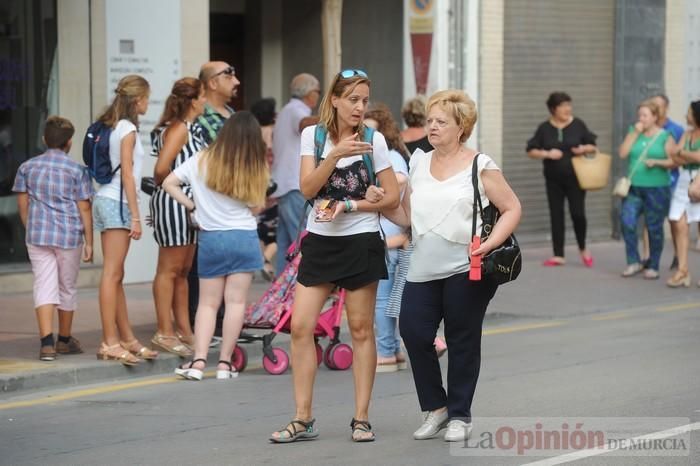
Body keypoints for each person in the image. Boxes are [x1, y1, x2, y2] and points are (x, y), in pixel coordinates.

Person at [269, 69, 400, 443]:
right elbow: (308, 187)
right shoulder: (315, 135)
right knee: (300, 326)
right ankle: (303, 417)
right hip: (321, 241)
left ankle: (361, 418)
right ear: (335, 101)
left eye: (364, 100)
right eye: (353, 99)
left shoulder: (374, 140)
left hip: (361, 240)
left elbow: (391, 197)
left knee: (360, 329)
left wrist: (353, 205)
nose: (360, 107)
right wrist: (336, 155)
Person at [383, 89, 521, 442]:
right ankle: (437, 408)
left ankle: (460, 414)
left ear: (461, 127)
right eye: (429, 121)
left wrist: (489, 244)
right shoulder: (417, 161)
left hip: (467, 266)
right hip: (422, 266)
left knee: (462, 340)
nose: (432, 127)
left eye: (441, 121)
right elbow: (409, 216)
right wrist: (382, 205)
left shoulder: (480, 165)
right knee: (413, 332)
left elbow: (512, 208)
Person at [163, 111, 268, 381]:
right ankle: (224, 364)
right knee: (235, 303)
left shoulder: (202, 159)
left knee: (208, 304)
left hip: (212, 238)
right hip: (243, 237)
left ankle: (198, 363)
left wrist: (192, 206)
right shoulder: (254, 165)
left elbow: (168, 182)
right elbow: (257, 207)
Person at [12, 116, 94, 361]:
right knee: (66, 286)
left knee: (43, 285)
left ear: (44, 139)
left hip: (37, 235)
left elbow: (22, 203)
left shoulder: (27, 167)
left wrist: (31, 227)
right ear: (69, 142)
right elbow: (85, 208)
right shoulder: (77, 170)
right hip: (69, 236)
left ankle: (46, 343)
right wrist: (89, 241)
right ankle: (64, 341)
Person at [93, 75, 157, 365]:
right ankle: (109, 341)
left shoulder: (112, 124)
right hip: (117, 201)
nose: (147, 103)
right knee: (112, 274)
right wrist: (135, 215)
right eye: (146, 97)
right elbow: (128, 175)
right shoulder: (128, 128)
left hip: (106, 197)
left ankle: (126, 338)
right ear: (136, 100)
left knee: (115, 275)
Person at [148, 77, 207, 356]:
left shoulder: (187, 127)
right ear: (194, 100)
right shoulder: (180, 128)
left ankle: (184, 330)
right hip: (174, 200)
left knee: (182, 271)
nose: (206, 101)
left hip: (186, 202)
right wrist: (169, 185)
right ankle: (164, 331)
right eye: (203, 96)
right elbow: (161, 168)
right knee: (169, 269)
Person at [363, 103, 410, 373]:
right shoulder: (394, 154)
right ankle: (393, 349)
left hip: (389, 231)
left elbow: (402, 180)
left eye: (371, 132)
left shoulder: (388, 156)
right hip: (393, 231)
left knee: (384, 299)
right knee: (394, 299)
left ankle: (385, 352)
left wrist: (378, 190)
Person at [526, 92, 597, 267]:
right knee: (556, 215)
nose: (567, 109)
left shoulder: (578, 124)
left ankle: (583, 249)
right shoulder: (544, 128)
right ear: (553, 109)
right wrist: (547, 153)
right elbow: (531, 150)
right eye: (563, 106)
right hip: (553, 179)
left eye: (569, 105)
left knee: (578, 214)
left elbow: (593, 146)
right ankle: (558, 255)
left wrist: (583, 149)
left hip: (576, 179)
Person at [619, 99, 677, 279]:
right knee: (627, 222)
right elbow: (622, 153)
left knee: (654, 228)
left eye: (645, 115)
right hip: (634, 188)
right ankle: (633, 261)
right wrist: (634, 133)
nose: (641, 119)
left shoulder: (665, 136)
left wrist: (657, 162)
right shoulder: (633, 132)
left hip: (657, 189)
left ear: (654, 117)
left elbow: (674, 161)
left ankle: (653, 265)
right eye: (639, 115)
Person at [271, 73, 321, 275]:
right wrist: (334, 114)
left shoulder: (287, 109)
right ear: (309, 93)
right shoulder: (296, 110)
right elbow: (304, 123)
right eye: (318, 92)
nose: (318, 96)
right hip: (293, 185)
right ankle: (297, 294)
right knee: (302, 242)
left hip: (285, 185)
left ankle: (279, 295)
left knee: (285, 245)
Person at [666, 101, 700, 287]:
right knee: (677, 221)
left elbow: (682, 153)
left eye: (689, 113)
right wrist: (685, 154)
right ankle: (683, 269)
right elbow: (674, 156)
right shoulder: (686, 134)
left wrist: (683, 152)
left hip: (699, 181)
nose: (686, 116)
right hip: (684, 180)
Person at [652, 94, 686, 271]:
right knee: (651, 218)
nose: (656, 109)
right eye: (653, 106)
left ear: (666, 107)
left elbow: (679, 157)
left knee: (674, 220)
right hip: (650, 180)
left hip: (671, 180)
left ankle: (678, 255)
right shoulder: (646, 126)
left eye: (659, 106)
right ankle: (647, 256)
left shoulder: (676, 129)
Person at [251, 97, 279, 280]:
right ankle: (264, 258)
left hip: (254, 182)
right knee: (276, 231)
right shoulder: (275, 132)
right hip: (271, 182)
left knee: (258, 226)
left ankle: (264, 262)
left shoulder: (252, 132)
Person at [197, 62, 239, 145]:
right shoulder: (198, 117)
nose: (237, 82)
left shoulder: (233, 114)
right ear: (213, 83)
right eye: (229, 77)